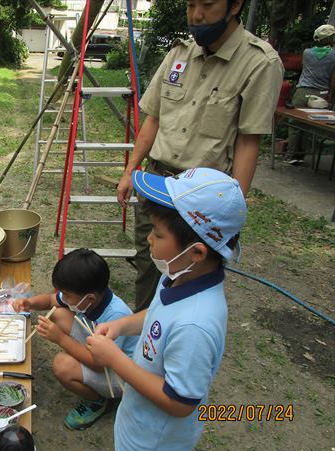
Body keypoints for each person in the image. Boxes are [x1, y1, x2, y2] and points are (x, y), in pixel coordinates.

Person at [116, 0, 282, 312]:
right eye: (191, 5)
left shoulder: (259, 63)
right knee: (148, 261)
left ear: (234, 6)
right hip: (157, 183)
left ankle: (174, 343)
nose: (196, 16)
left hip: (200, 196)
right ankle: (143, 338)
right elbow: (153, 118)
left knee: (188, 278)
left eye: (206, 5)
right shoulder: (179, 54)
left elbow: (248, 142)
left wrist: (230, 214)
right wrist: (130, 171)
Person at [88, 168, 247, 451]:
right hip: (138, 424)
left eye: (158, 234)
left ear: (197, 252)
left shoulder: (196, 325)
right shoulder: (177, 275)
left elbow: (179, 402)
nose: (149, 238)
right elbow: (157, 315)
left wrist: (114, 358)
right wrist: (122, 327)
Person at [12, 249, 138, 430]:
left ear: (90, 298)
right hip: (99, 347)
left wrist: (60, 338)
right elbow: (49, 300)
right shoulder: (86, 296)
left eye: (67, 294)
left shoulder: (116, 315)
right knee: (59, 313)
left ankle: (98, 401)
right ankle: (86, 375)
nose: (64, 296)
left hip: (120, 375)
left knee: (62, 365)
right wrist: (30, 303)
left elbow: (100, 364)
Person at [287, 24, 335, 164]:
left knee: (295, 123)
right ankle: (304, 156)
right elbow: (333, 78)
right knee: (311, 125)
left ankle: (292, 155)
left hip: (302, 91)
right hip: (321, 94)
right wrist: (331, 95)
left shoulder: (307, 52)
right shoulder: (333, 55)